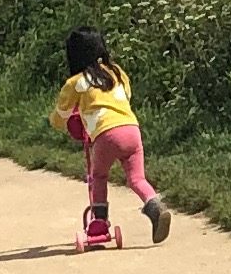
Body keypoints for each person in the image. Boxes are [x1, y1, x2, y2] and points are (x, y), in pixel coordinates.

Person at [50, 24, 173, 248]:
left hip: (106, 135)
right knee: (137, 179)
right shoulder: (117, 72)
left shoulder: (76, 82)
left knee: (99, 176)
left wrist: (58, 121)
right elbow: (125, 95)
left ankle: (99, 222)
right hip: (131, 128)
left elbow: (62, 114)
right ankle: (155, 205)